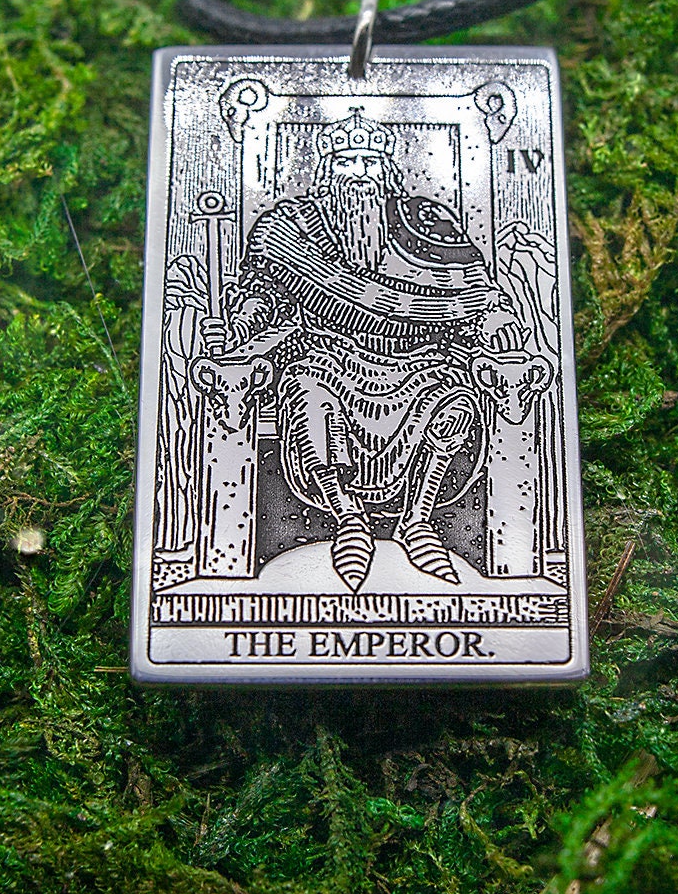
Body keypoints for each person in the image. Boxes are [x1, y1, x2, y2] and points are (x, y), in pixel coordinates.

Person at [204, 109, 527, 591]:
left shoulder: (425, 222)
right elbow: (264, 292)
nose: (358, 172)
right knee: (309, 399)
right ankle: (348, 519)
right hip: (328, 356)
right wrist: (242, 320)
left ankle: (417, 523)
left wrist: (495, 318)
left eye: (369, 162)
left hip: (416, 362)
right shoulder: (290, 225)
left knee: (456, 404)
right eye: (346, 162)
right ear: (326, 171)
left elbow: (476, 293)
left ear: (387, 170)